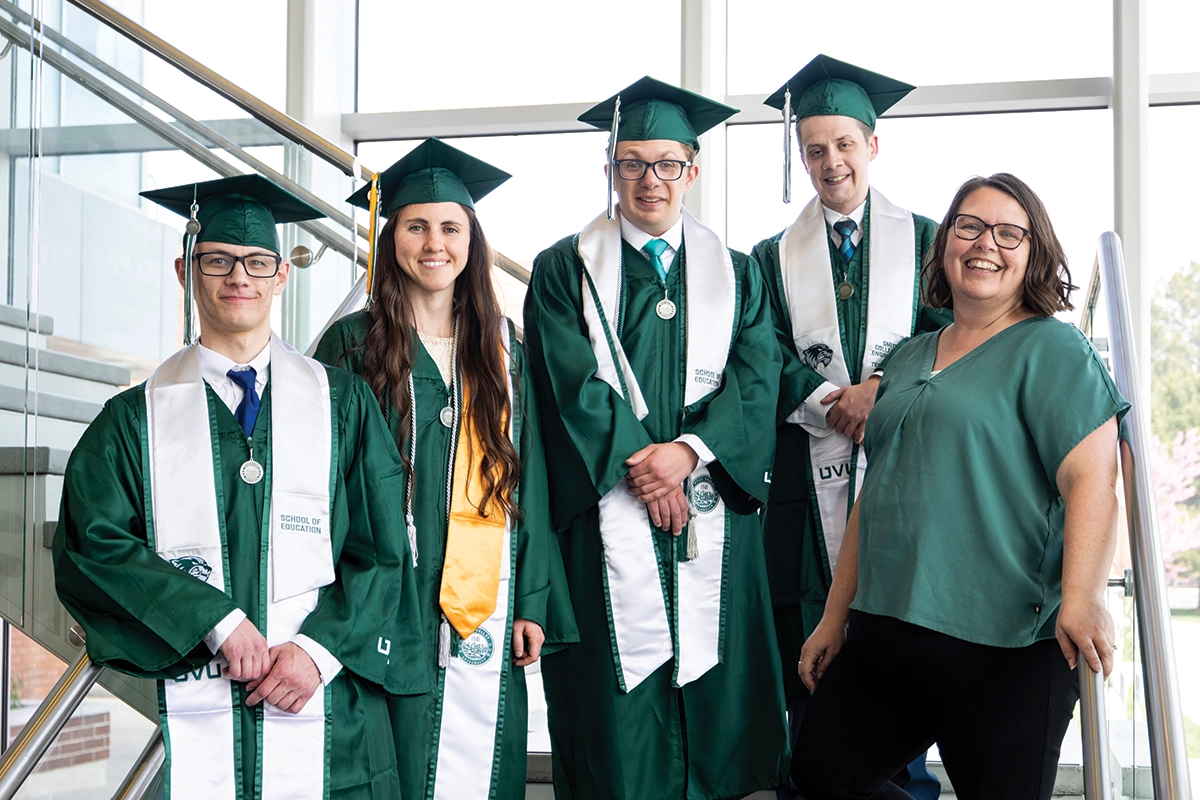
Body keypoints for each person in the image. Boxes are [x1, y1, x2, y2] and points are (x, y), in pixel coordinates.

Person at [52, 174, 428, 799]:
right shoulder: (133, 419)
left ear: (282, 276)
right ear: (185, 271)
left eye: (257, 263)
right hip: (197, 709)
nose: (238, 278)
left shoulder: (344, 405)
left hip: (330, 719)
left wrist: (317, 652)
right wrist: (215, 621)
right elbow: (93, 544)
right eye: (218, 261)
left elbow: (386, 549)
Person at [792, 173, 1129, 800]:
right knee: (820, 776)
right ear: (945, 243)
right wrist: (835, 616)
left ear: (1033, 252)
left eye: (1009, 233)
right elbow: (878, 491)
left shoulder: (1052, 348)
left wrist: (1083, 596)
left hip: (1004, 645)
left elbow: (1092, 481)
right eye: (969, 227)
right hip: (887, 630)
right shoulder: (910, 356)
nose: (986, 244)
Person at [523, 76, 788, 800]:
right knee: (614, 719)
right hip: (607, 518)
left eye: (666, 163)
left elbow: (758, 377)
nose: (650, 180)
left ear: (693, 171)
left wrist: (687, 454)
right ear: (609, 170)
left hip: (710, 515)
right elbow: (567, 382)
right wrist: (644, 469)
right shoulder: (563, 269)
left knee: (715, 700)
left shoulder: (738, 275)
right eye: (632, 162)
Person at [312, 137, 578, 800]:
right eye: (417, 226)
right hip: (383, 598)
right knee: (383, 767)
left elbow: (532, 481)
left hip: (485, 600)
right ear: (392, 236)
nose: (435, 243)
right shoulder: (350, 345)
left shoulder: (503, 351)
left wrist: (534, 600)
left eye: (450, 228)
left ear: (472, 240)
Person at [752, 55, 951, 800]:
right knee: (812, 649)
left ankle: (906, 782)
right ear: (800, 157)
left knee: (899, 635)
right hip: (811, 479)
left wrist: (878, 391)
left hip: (904, 471)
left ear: (873, 145)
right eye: (814, 149)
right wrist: (833, 400)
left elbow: (947, 335)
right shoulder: (772, 259)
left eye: (843, 144)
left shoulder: (931, 238)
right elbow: (763, 350)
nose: (829, 161)